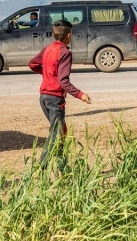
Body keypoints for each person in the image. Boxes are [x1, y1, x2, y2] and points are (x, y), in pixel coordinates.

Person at [29, 20, 91, 167]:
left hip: (43, 98)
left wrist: (48, 74)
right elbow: (63, 82)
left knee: (61, 132)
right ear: (69, 35)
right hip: (55, 99)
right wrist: (80, 94)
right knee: (56, 135)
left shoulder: (48, 49)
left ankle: (63, 168)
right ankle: (40, 168)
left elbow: (32, 64)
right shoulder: (65, 53)